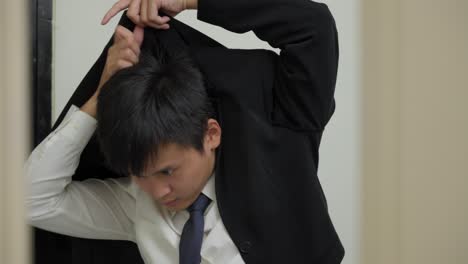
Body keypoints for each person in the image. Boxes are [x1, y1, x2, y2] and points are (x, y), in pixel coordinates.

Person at [25, 0, 344, 263]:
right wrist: (102, 92)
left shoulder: (283, 141)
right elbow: (30, 200)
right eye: (140, 175)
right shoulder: (136, 205)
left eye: (167, 171)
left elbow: (312, 28)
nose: (158, 192)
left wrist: (193, 1)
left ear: (211, 134)